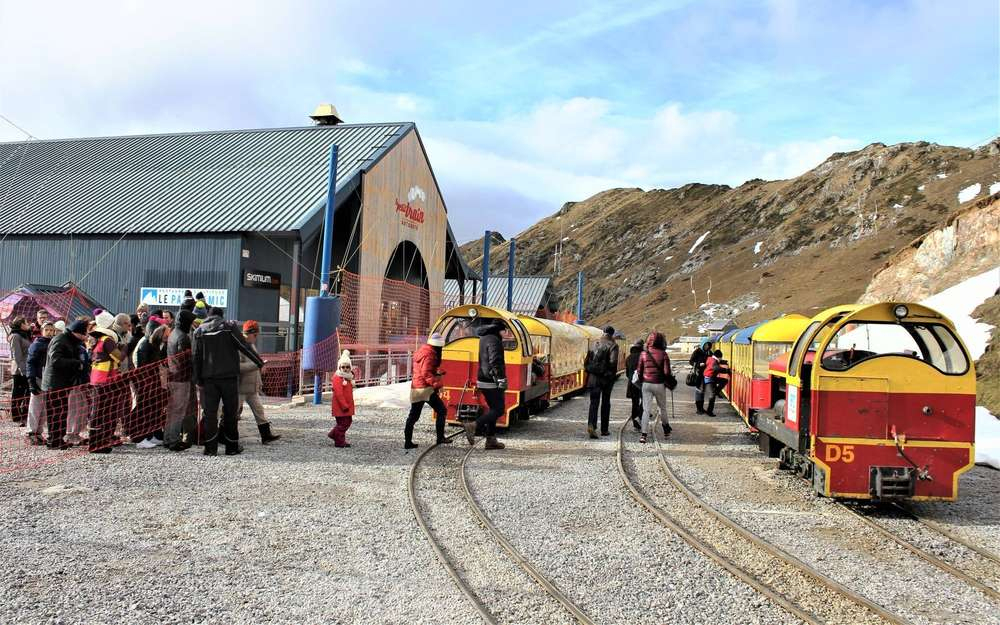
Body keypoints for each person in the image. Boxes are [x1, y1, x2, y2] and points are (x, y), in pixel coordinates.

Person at [191, 307, 263, 456]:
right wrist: (259, 362)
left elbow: (196, 356)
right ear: (221, 315)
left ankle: (210, 448)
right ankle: (231, 447)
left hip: (209, 378)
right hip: (229, 378)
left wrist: (197, 379)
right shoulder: (229, 328)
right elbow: (243, 345)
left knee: (210, 414)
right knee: (230, 413)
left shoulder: (199, 331)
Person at [42, 319, 89, 450]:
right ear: (76, 333)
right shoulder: (60, 340)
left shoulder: (69, 340)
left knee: (62, 413)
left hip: (62, 383)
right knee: (56, 413)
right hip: (54, 384)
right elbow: (55, 360)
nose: (85, 337)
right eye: (84, 334)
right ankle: (54, 440)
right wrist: (76, 363)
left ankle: (58, 439)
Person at [88, 311, 127, 453]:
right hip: (106, 379)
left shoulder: (95, 339)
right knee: (103, 412)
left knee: (97, 411)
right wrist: (124, 348)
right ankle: (99, 443)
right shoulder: (107, 340)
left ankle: (97, 441)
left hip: (96, 378)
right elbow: (119, 358)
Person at [464, 320, 506, 450]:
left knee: (493, 408)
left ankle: (491, 440)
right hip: (491, 380)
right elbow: (495, 360)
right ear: (499, 329)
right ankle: (474, 425)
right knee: (499, 409)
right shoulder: (494, 340)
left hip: (483, 378)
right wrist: (500, 378)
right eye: (505, 330)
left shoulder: (484, 338)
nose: (506, 333)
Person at [238, 320, 280, 444]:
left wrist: (259, 380)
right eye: (255, 335)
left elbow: (255, 364)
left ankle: (266, 435)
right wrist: (257, 365)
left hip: (251, 388)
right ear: (250, 333)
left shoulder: (251, 345)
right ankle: (223, 434)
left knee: (259, 411)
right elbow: (238, 367)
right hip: (240, 388)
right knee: (233, 413)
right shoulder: (239, 346)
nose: (256, 338)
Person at [404, 333, 449, 449]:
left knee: (413, 416)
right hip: (425, 389)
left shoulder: (423, 350)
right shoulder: (430, 354)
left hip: (416, 387)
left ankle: (407, 442)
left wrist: (437, 372)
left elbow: (424, 370)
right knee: (442, 410)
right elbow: (426, 373)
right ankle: (440, 438)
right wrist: (437, 384)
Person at [133, 321, 171, 449]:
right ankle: (140, 438)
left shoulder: (156, 345)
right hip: (145, 382)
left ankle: (150, 436)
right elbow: (142, 367)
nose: (168, 337)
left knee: (153, 410)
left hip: (153, 381)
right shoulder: (146, 345)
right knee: (144, 410)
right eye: (166, 335)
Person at [164, 309, 197, 451]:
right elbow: (186, 359)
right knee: (178, 410)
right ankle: (173, 441)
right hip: (182, 378)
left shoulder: (172, 333)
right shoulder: (183, 337)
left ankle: (167, 438)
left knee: (171, 410)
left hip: (172, 376)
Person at [637, 332, 674, 444]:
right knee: (662, 408)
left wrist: (642, 380)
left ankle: (643, 434)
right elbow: (667, 372)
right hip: (659, 384)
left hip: (646, 384)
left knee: (646, 410)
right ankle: (666, 430)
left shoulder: (644, 354)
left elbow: (639, 371)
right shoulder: (663, 354)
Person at [584, 326, 620, 438]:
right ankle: (604, 430)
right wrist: (607, 372)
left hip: (593, 378)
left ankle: (591, 425)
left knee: (593, 403)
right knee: (605, 403)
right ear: (612, 334)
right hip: (606, 379)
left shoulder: (595, 343)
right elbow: (613, 362)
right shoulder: (613, 345)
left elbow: (587, 360)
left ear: (603, 332)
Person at [25, 321, 56, 444]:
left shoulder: (54, 343)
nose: (49, 332)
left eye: (51, 330)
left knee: (44, 407)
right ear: (42, 331)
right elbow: (30, 362)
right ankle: (31, 432)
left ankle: (39, 432)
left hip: (49, 379)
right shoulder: (37, 344)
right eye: (47, 330)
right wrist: (31, 380)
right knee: (35, 406)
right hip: (38, 378)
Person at [7, 317, 32, 425]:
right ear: (21, 324)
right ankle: (16, 417)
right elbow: (17, 355)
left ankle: (24, 415)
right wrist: (23, 370)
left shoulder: (24, 335)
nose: (29, 324)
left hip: (27, 367)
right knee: (18, 394)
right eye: (26, 322)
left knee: (27, 393)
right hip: (19, 370)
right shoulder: (15, 336)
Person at [329, 350, 355, 448]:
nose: (345, 369)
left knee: (343, 423)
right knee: (345, 423)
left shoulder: (348, 377)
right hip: (341, 406)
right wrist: (344, 405)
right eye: (343, 367)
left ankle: (339, 441)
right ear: (339, 367)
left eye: (347, 367)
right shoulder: (337, 377)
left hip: (345, 405)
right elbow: (339, 393)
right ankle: (334, 434)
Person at [624, 339, 644, 431]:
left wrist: (632, 378)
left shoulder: (629, 357)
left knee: (634, 403)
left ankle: (635, 420)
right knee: (644, 401)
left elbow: (627, 373)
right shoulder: (644, 356)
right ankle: (640, 416)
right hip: (643, 382)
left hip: (632, 383)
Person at [703, 349, 729, 418]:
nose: (721, 359)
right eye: (721, 358)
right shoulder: (714, 362)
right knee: (712, 396)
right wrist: (726, 370)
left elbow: (718, 363)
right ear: (719, 357)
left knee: (724, 381)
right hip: (709, 379)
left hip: (712, 378)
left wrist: (724, 362)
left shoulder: (710, 358)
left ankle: (717, 391)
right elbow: (717, 368)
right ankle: (709, 411)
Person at [689, 340, 713, 415]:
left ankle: (701, 408)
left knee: (703, 391)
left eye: (708, 345)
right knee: (699, 391)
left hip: (706, 374)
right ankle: (698, 409)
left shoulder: (709, 352)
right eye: (706, 345)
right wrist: (699, 364)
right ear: (703, 344)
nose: (707, 346)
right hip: (698, 374)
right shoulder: (697, 351)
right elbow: (691, 361)